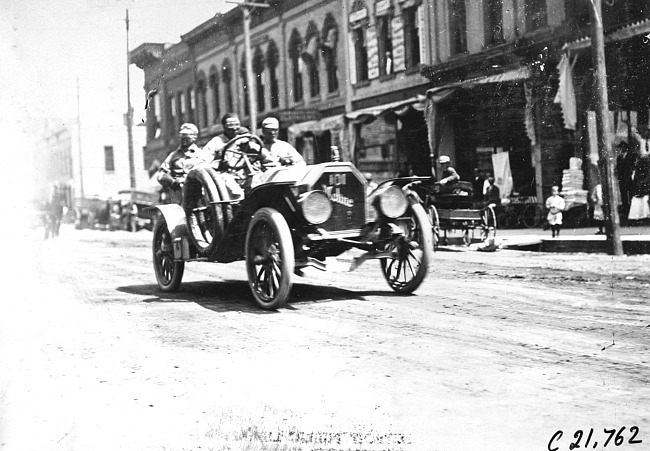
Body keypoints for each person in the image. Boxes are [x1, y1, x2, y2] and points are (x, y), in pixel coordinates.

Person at [156, 123, 207, 204]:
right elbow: (161, 174)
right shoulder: (173, 155)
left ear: (194, 137)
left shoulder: (202, 154)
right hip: (178, 193)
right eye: (182, 136)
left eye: (187, 136)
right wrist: (172, 181)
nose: (184, 139)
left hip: (198, 191)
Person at [615, 140, 637, 218]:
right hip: (622, 179)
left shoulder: (632, 156)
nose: (621, 149)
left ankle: (632, 209)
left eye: (622, 147)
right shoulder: (619, 157)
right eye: (620, 148)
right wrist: (619, 177)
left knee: (631, 193)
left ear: (626, 148)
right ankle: (625, 209)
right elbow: (618, 168)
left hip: (629, 178)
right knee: (623, 194)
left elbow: (633, 166)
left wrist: (629, 175)